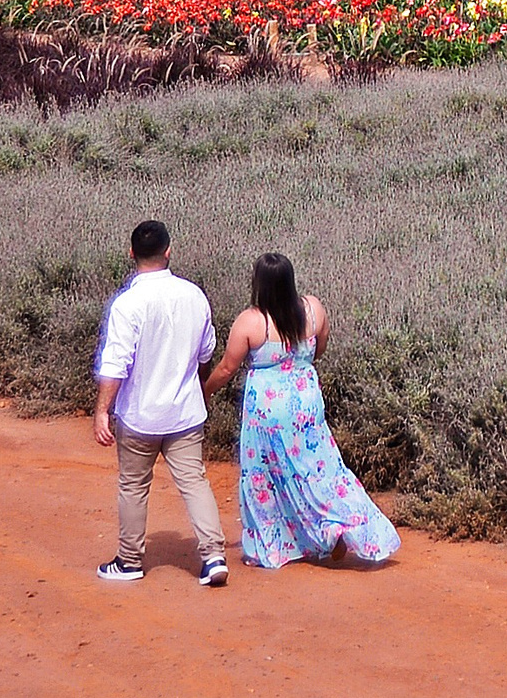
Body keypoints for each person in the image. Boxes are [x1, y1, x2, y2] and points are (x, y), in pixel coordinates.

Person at [201, 253, 400, 570]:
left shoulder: (251, 321)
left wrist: (205, 391)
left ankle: (275, 546)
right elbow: (319, 348)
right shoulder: (313, 309)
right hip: (306, 402)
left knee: (266, 476)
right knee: (322, 469)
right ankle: (341, 524)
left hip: (267, 411)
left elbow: (227, 368)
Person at [93, 220, 228, 587]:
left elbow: (116, 363)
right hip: (185, 413)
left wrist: (102, 410)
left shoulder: (127, 304)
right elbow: (206, 351)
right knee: (194, 482)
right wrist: (195, 385)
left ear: (131, 253)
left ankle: (129, 561)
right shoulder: (194, 295)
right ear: (168, 251)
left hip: (140, 416)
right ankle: (213, 555)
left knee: (133, 486)